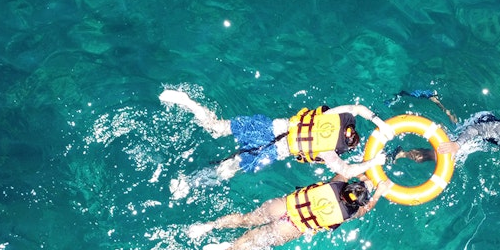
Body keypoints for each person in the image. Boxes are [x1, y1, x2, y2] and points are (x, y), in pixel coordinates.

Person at [160, 89, 396, 181]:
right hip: (272, 151)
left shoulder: (332, 116)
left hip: (269, 128)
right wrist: (375, 161)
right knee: (228, 170)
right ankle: (188, 182)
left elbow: (357, 109)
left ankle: (188, 102)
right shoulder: (327, 152)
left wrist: (379, 121)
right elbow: (346, 171)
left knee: (217, 127)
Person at [188, 177, 393, 250]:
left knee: (245, 219)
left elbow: (349, 170)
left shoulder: (336, 182)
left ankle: (209, 226)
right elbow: (367, 208)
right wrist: (378, 192)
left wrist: (367, 175)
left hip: (281, 207)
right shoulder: (349, 214)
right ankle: (226, 246)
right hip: (292, 227)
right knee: (252, 241)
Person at [390, 92, 500, 190]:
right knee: (446, 152)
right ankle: (402, 153)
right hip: (483, 124)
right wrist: (457, 144)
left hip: (492, 142)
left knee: (453, 133)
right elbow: (476, 130)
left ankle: (440, 104)